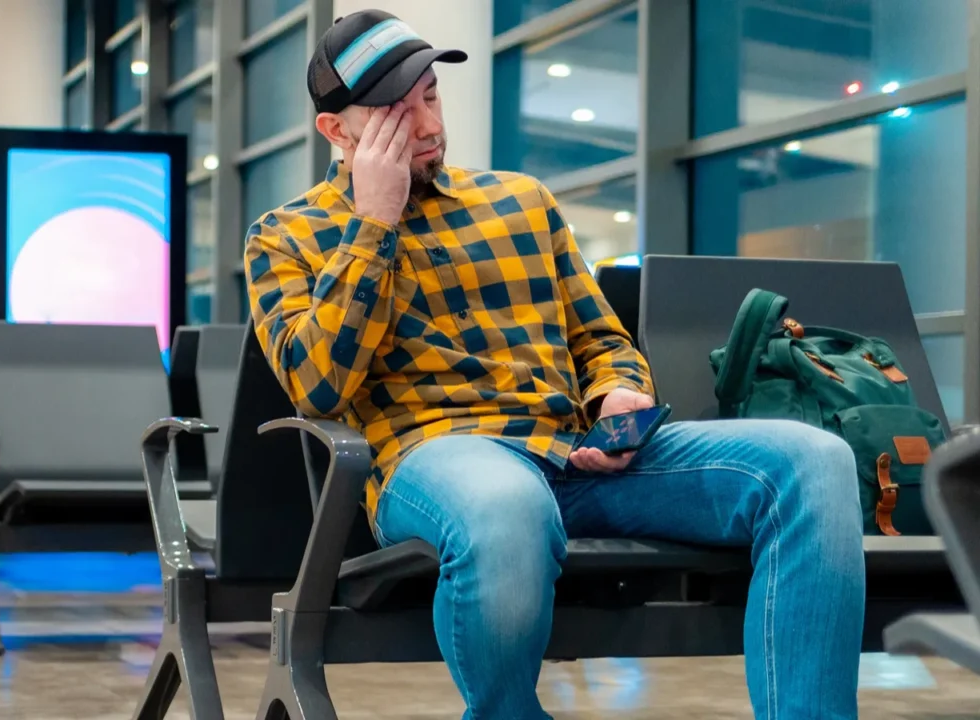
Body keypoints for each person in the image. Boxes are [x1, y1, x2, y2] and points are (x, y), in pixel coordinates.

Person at [243, 10, 865, 719]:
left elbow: (600, 339)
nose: (424, 125)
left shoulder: (520, 202)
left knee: (813, 461)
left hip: (576, 457)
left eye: (430, 97)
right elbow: (318, 388)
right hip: (439, 462)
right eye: (392, 113)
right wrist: (373, 226)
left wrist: (618, 392)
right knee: (506, 504)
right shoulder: (287, 237)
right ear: (337, 131)